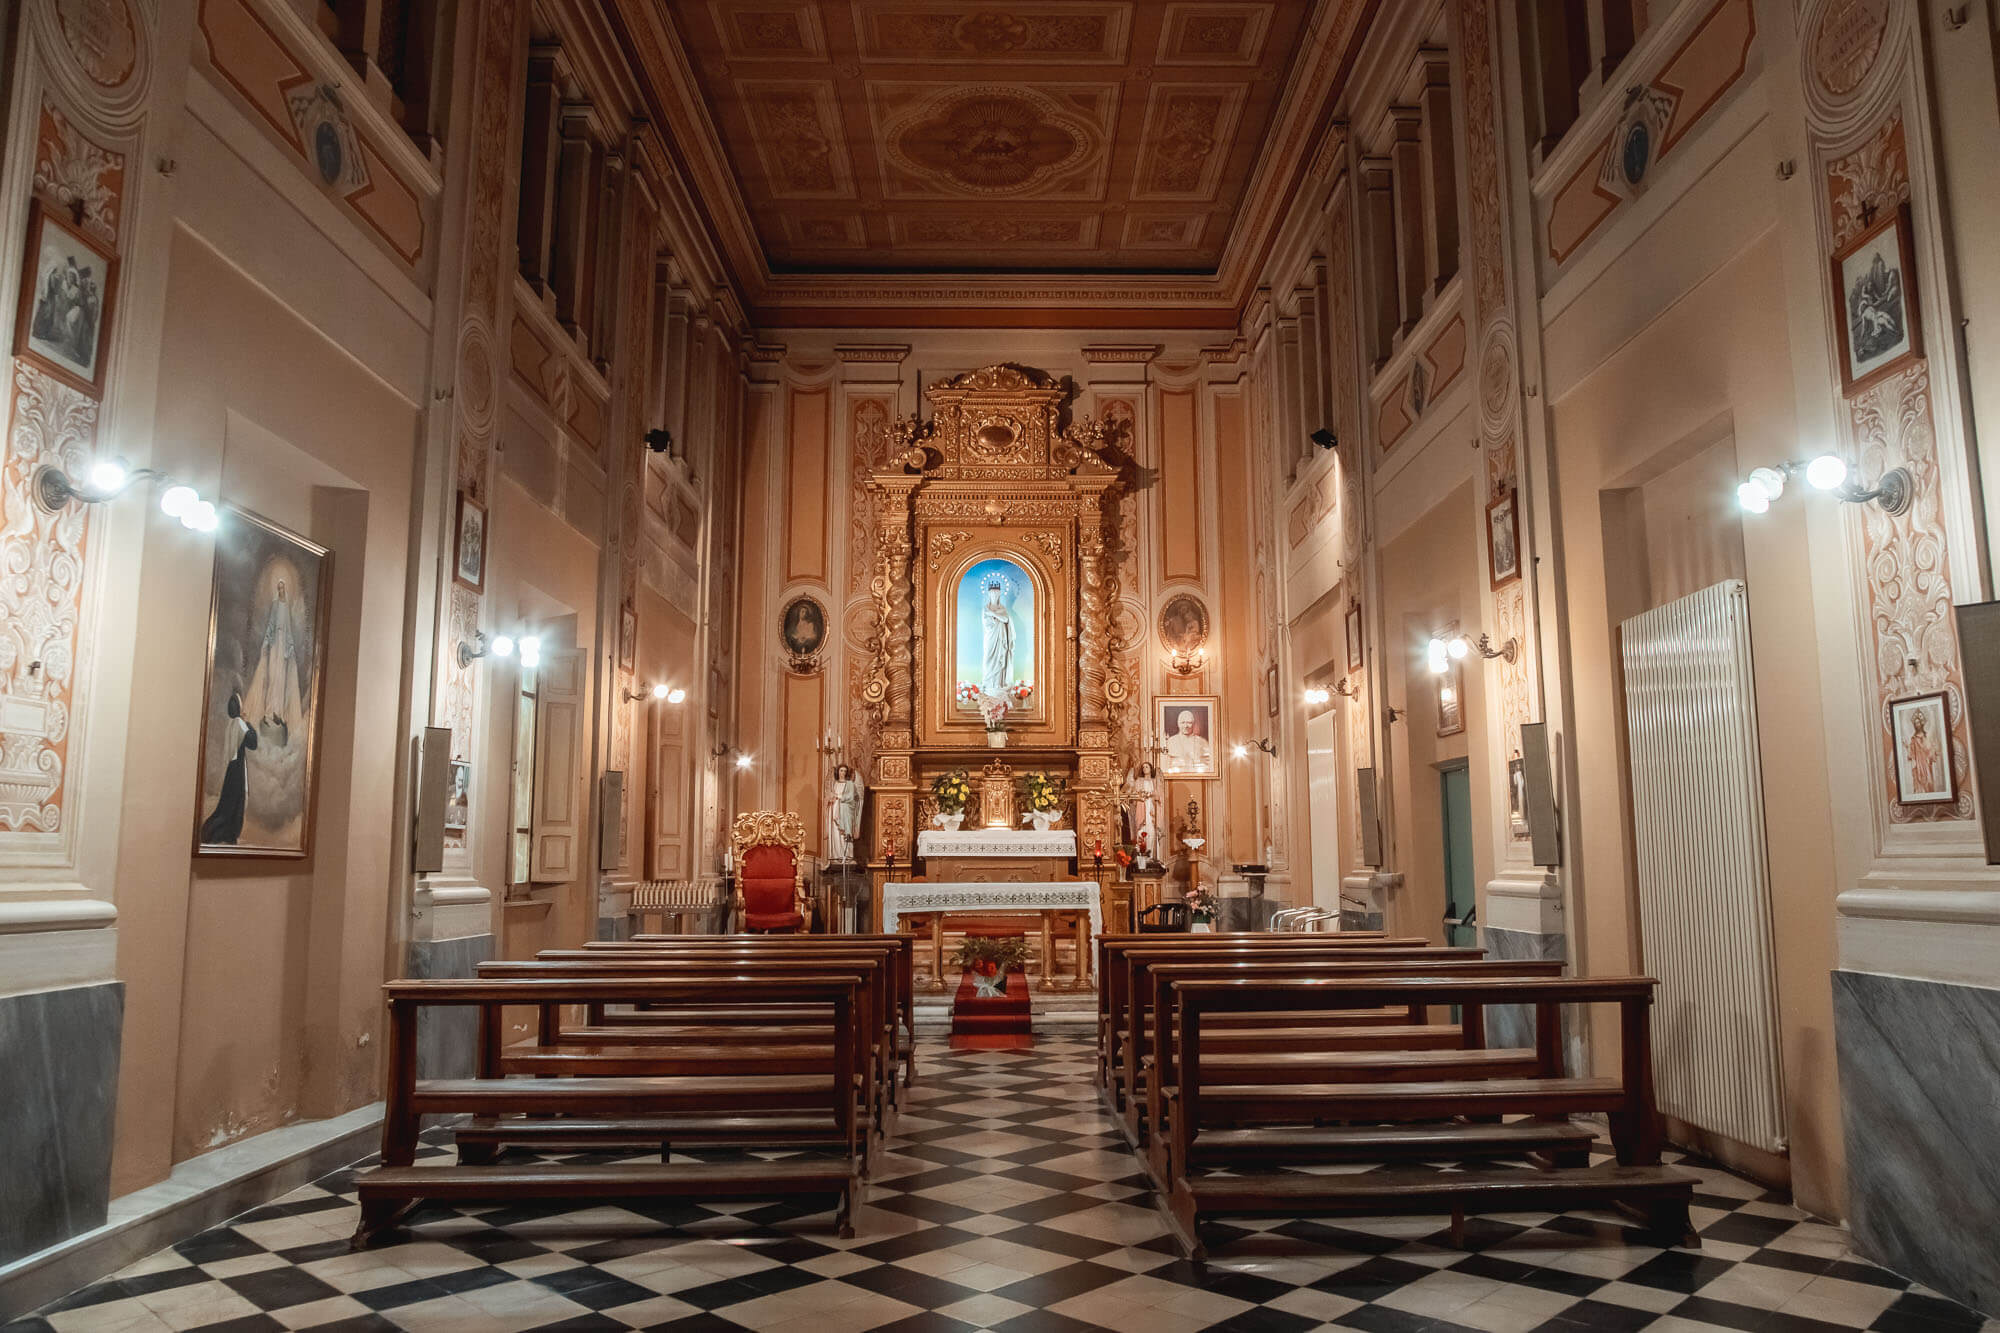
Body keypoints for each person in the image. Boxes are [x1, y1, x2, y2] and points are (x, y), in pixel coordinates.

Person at [199, 691, 259, 844]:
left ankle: (217, 833)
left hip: (231, 769)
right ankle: (228, 835)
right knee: (236, 803)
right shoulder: (239, 723)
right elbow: (253, 743)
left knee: (227, 804)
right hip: (237, 769)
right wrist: (248, 724)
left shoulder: (230, 724)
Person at [980, 575, 1014, 697]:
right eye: (992, 593)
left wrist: (993, 614)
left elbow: (1005, 619)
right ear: (989, 594)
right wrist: (994, 617)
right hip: (990, 638)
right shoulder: (985, 609)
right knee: (989, 659)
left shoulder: (1002, 608)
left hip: (1000, 639)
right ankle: (989, 684)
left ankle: (998, 684)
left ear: (999, 594)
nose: (994, 595)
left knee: (1000, 660)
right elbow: (987, 624)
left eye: (996, 593)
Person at [1123, 762, 1161, 863]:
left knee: (1151, 830)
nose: (1145, 769)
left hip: (1151, 807)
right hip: (1141, 806)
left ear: (1151, 769)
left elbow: (1158, 795)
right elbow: (1134, 794)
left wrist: (1151, 795)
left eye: (1147, 767)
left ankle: (1151, 855)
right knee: (1141, 830)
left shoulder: (1154, 781)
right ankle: (1141, 856)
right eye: (1143, 767)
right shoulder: (1139, 781)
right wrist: (1141, 795)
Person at [828, 763, 863, 862]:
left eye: (844, 771)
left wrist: (838, 796)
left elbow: (851, 797)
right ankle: (837, 855)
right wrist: (831, 799)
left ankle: (847, 855)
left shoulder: (850, 784)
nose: (842, 773)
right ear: (838, 772)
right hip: (834, 809)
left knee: (845, 832)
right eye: (841, 771)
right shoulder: (834, 783)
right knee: (835, 832)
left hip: (845, 811)